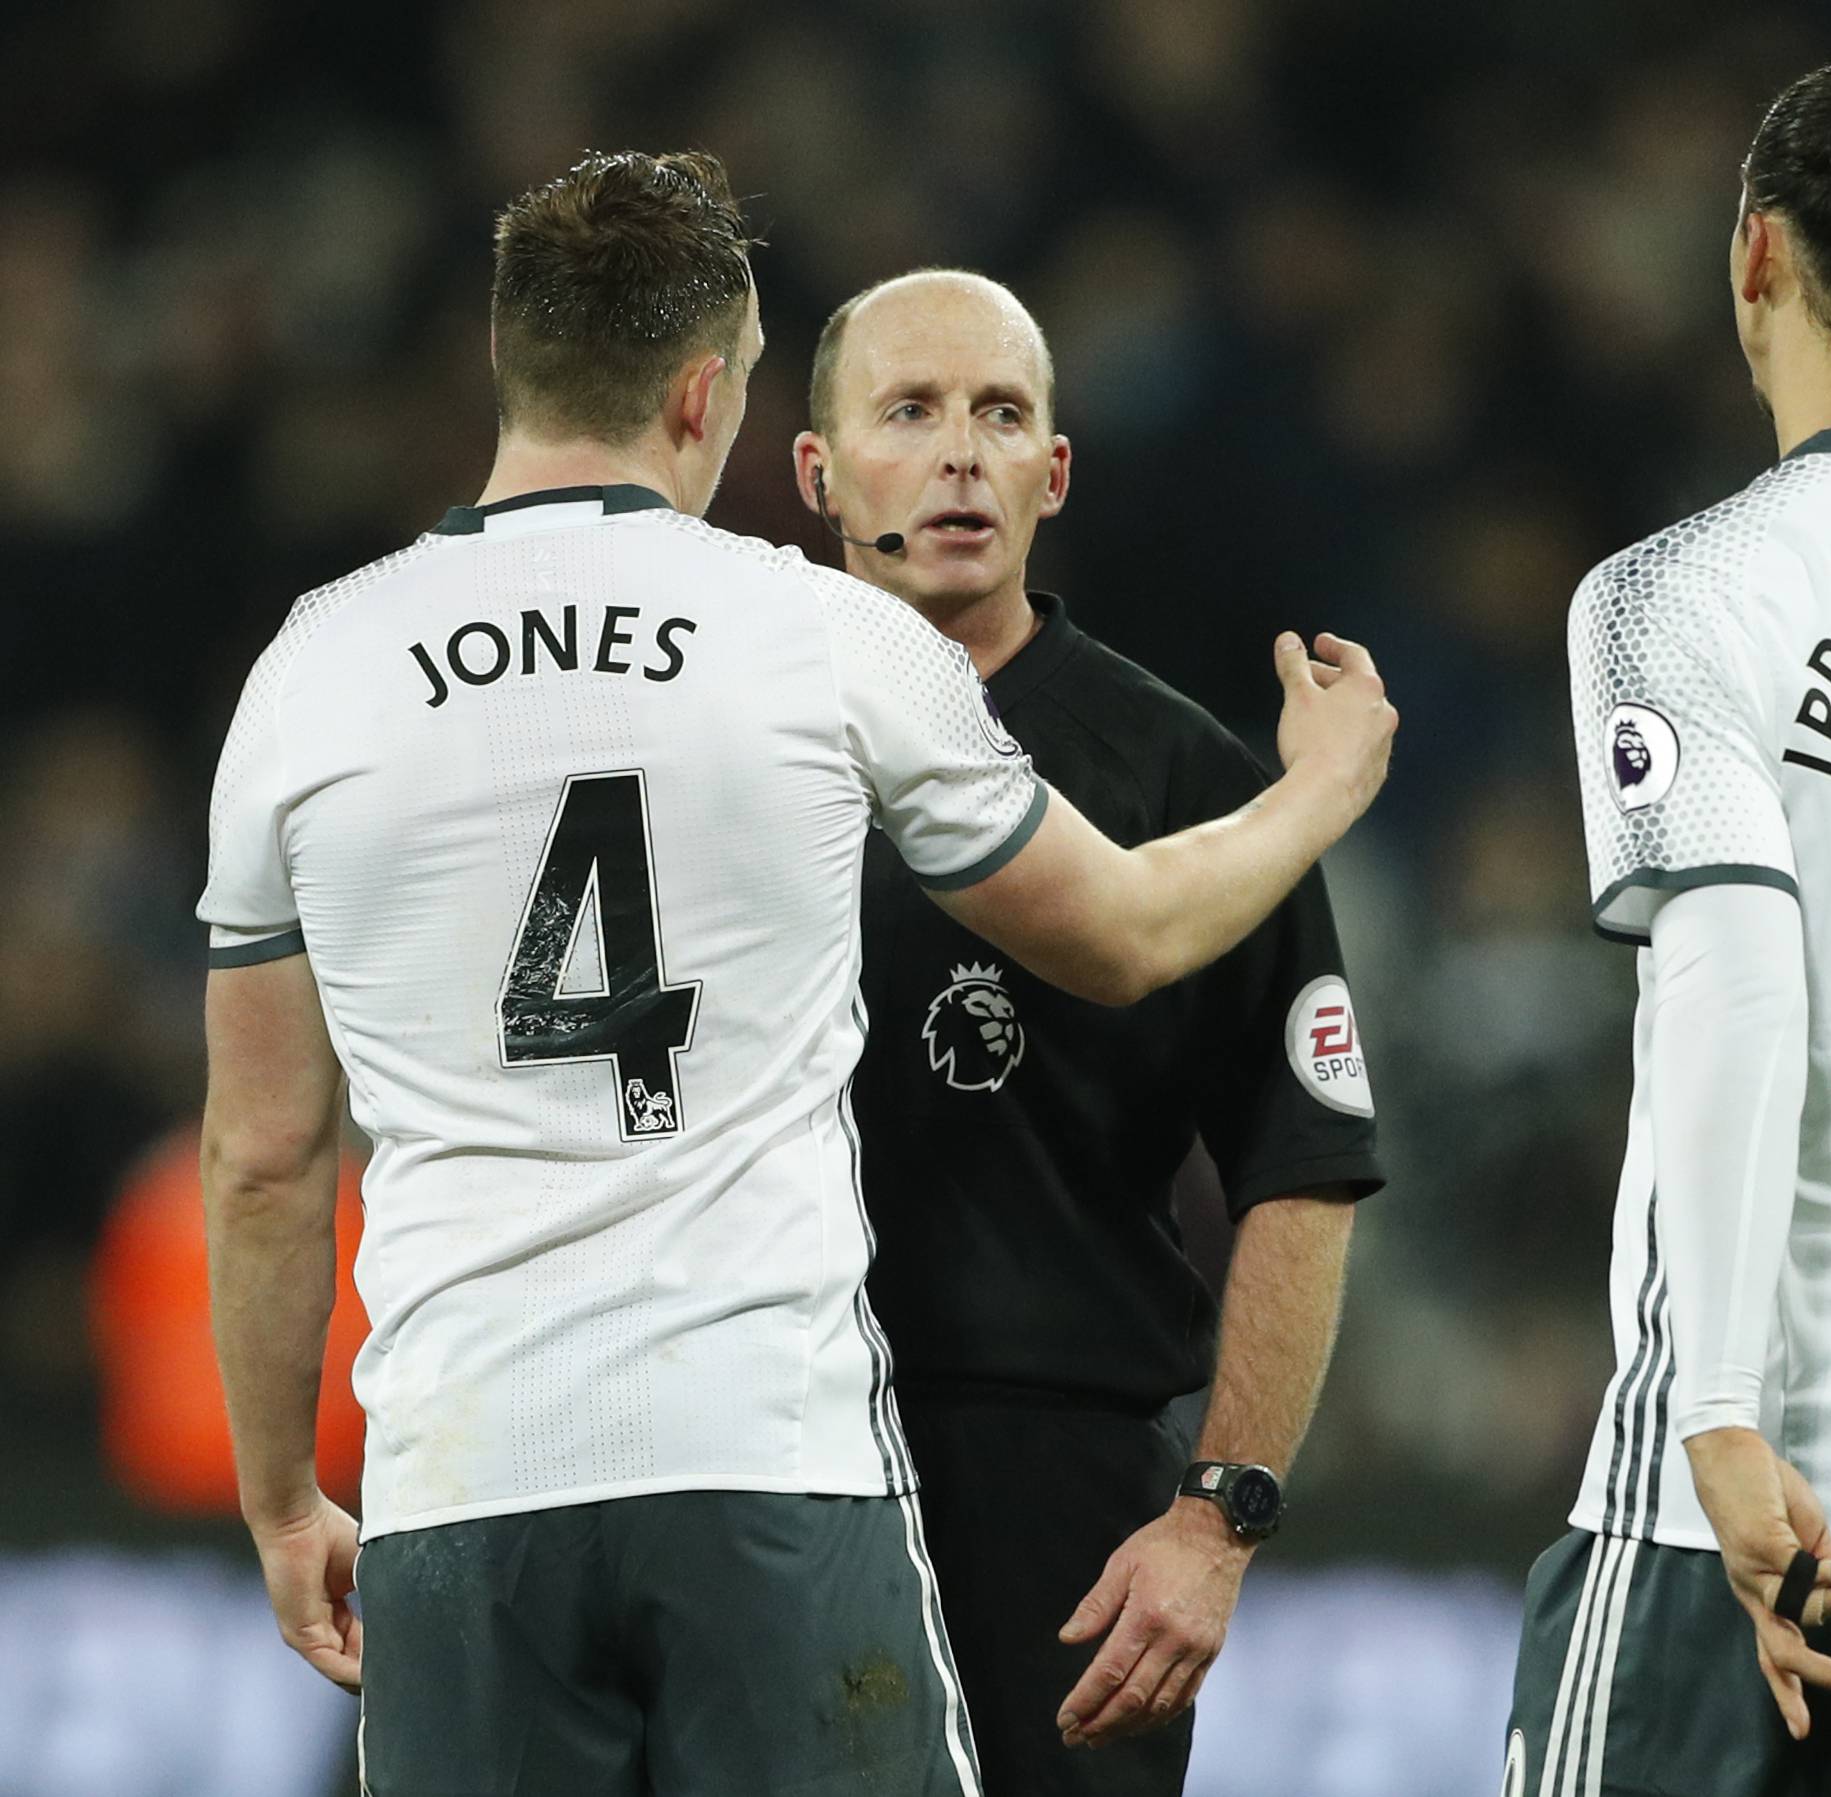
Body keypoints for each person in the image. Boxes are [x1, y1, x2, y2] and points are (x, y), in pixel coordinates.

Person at [195, 150, 1397, 1797]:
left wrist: (278, 1497)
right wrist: (1322, 791)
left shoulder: (313, 664)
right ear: (715, 403)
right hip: (766, 1452)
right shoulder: (812, 640)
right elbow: (1119, 928)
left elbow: (262, 1155)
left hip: (463, 1468)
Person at [792, 268, 1383, 1795]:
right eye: (909, 413)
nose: (960, 455)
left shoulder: (1180, 774)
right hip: (756, 1455)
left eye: (1000, 416)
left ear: (1055, 471)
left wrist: (1220, 1516)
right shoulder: (725, 741)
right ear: (817, 470)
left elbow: (1305, 1166)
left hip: (1056, 1488)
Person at [1504, 55, 1831, 1796]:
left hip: (1778, 1502)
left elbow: (1744, 982)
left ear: (1755, 257)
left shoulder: (1683, 598)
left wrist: (1723, 1413)